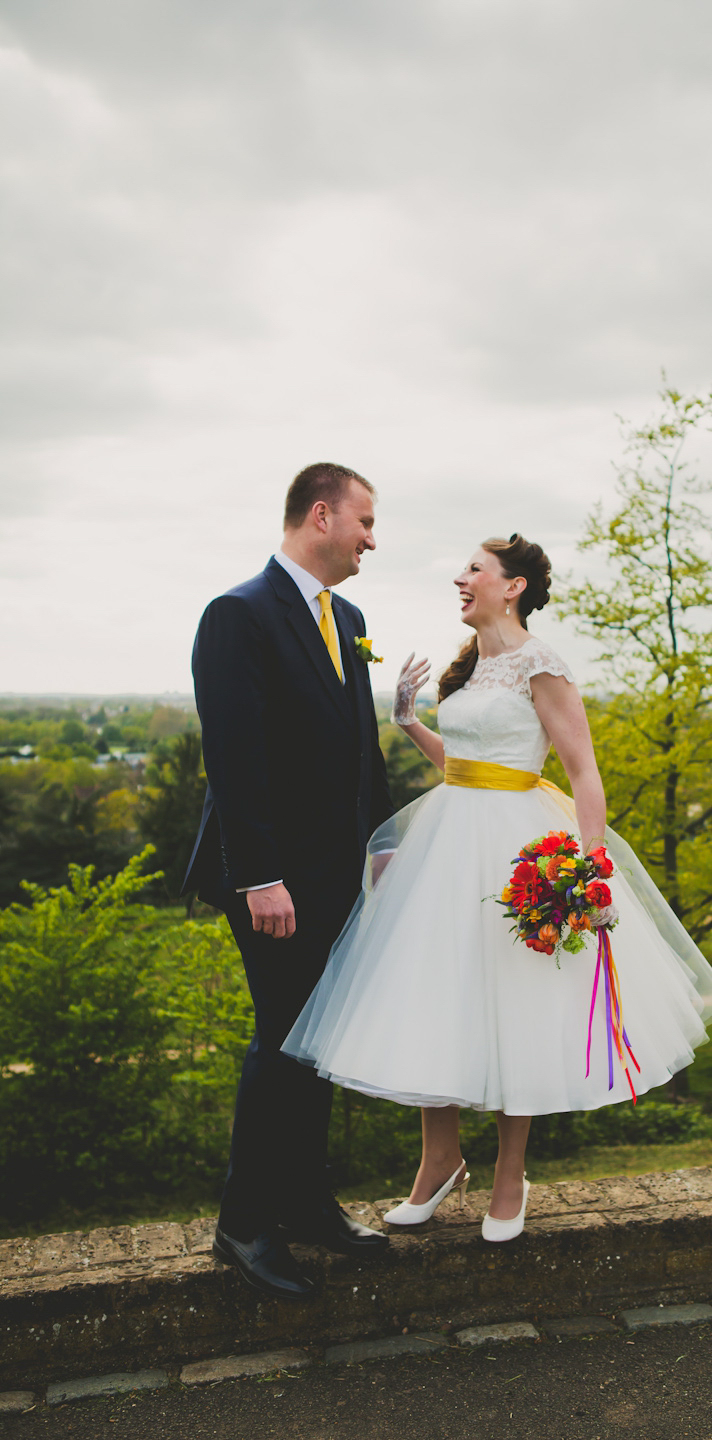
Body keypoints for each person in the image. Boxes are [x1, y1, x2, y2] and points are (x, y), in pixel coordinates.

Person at [283, 533, 712, 1242]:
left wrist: (587, 869)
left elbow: (584, 773)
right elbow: (464, 765)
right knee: (440, 993)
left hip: (517, 845)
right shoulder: (472, 669)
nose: (459, 579)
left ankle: (509, 1173)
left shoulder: (541, 663)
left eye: (474, 570)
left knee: (515, 998)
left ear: (513, 585)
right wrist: (408, 723)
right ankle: (439, 1161)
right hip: (447, 842)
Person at [183, 462, 393, 1298]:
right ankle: (241, 1226)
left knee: (322, 1043)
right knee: (282, 1039)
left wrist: (382, 843)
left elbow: (360, 749)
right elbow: (232, 761)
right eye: (365, 522)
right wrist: (260, 876)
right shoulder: (238, 615)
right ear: (320, 516)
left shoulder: (351, 617)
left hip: (338, 873)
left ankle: (306, 1205)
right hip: (269, 881)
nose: (373, 539)